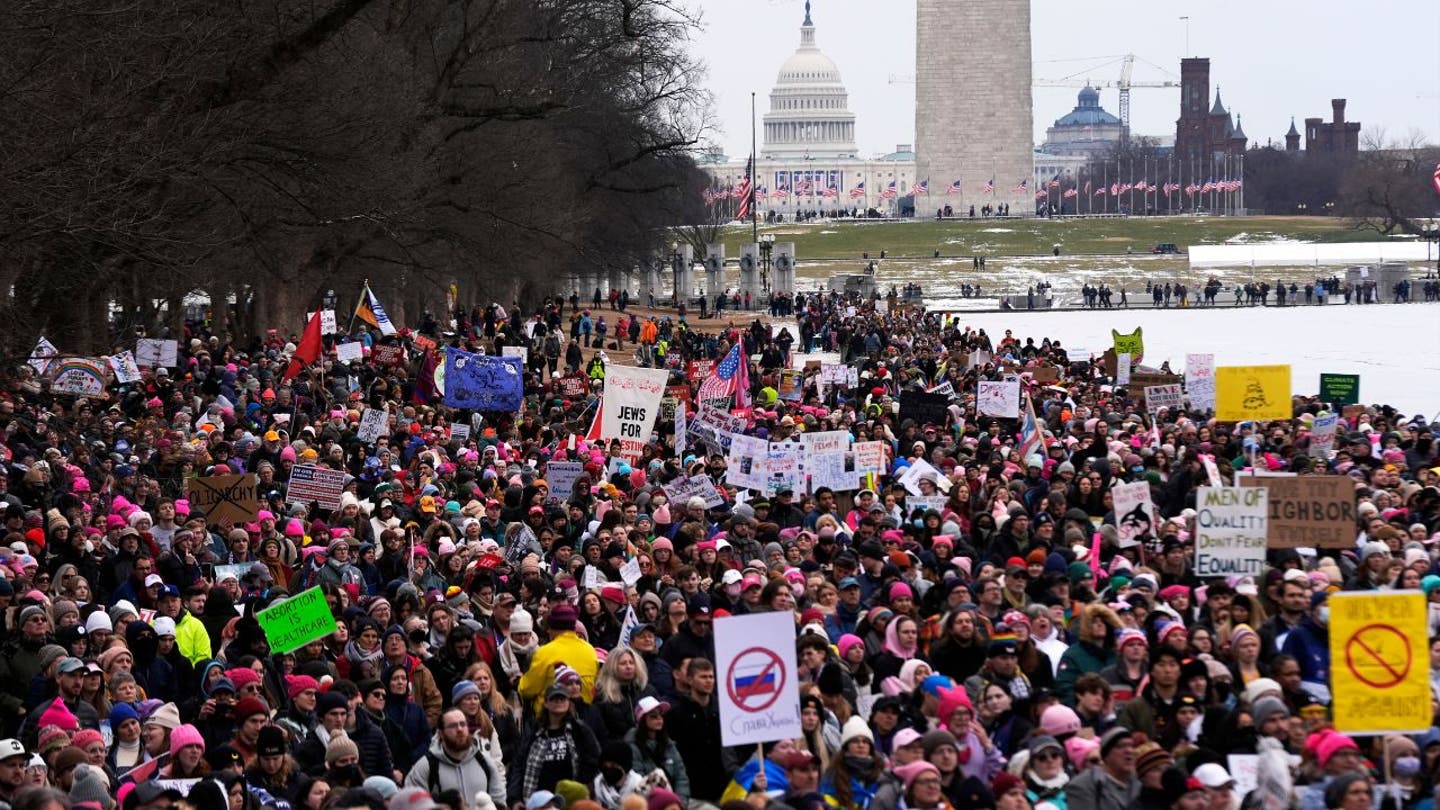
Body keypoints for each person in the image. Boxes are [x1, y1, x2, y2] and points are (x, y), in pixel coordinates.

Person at [404, 708, 505, 809]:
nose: (460, 729)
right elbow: (412, 805)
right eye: (453, 726)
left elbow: (499, 802)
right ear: (441, 734)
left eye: (463, 724)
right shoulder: (426, 767)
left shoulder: (485, 762)